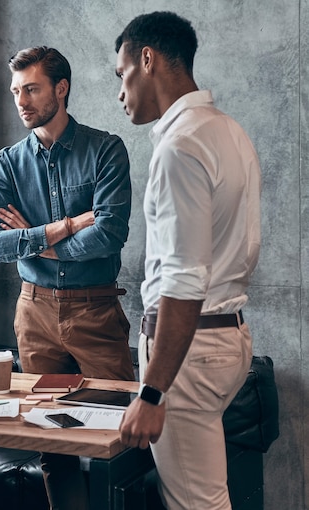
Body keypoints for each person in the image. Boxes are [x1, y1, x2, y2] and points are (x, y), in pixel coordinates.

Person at [114, 11, 261, 510]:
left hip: (187, 356)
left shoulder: (180, 146)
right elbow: (241, 251)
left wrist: (152, 394)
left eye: (122, 74)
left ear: (147, 59)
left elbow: (183, 280)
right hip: (227, 337)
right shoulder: (228, 131)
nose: (120, 92)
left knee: (198, 505)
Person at [0, 46, 133, 510]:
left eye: (31, 89)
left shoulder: (105, 150)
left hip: (96, 309)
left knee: (119, 434)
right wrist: (63, 227)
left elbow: (108, 235)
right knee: (51, 440)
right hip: (35, 313)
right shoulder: (6, 164)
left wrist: (28, 237)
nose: (21, 101)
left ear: (60, 89)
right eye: (15, 91)